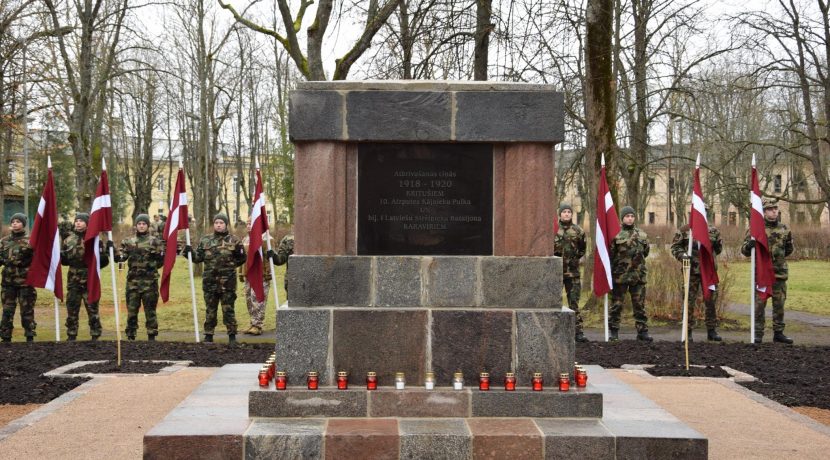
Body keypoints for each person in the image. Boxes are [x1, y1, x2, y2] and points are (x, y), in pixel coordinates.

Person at [183, 213, 246, 344]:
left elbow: (242, 258)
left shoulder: (234, 240)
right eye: (216, 223)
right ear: (214, 224)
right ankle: (208, 335)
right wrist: (188, 252)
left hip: (227, 282)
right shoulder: (206, 240)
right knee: (210, 309)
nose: (218, 225)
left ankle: (232, 335)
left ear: (226, 224)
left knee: (228, 309)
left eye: (221, 223)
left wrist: (229, 266)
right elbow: (198, 258)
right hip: (210, 282)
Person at [741, 198, 794, 344]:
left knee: (779, 305)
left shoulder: (784, 229)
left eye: (775, 209)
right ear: (763, 212)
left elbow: (788, 249)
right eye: (770, 209)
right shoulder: (755, 230)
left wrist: (777, 260)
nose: (774, 211)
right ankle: (758, 333)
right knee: (759, 305)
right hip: (761, 274)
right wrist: (750, 246)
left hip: (779, 273)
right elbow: (744, 251)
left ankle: (779, 333)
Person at [670, 209, 724, 342]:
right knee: (689, 301)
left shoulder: (713, 232)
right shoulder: (684, 230)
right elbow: (675, 247)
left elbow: (718, 249)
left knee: (711, 301)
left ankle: (711, 331)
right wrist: (683, 255)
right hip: (691, 271)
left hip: (708, 272)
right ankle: (687, 331)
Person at [115, 214, 165, 341]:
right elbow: (121, 258)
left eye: (144, 224)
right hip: (133, 283)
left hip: (150, 283)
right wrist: (114, 251)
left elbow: (160, 261)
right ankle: (131, 335)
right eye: (139, 224)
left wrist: (149, 268)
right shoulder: (128, 241)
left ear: (148, 226)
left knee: (150, 311)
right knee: (132, 311)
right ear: (136, 226)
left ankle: (151, 335)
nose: (141, 226)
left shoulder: (155, 242)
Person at [608, 206, 652, 342]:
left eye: (632, 216)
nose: (630, 218)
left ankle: (642, 332)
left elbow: (646, 252)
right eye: (627, 216)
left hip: (638, 276)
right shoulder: (616, 234)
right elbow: (611, 253)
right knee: (616, 305)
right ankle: (614, 331)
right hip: (620, 276)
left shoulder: (642, 234)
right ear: (622, 218)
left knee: (639, 305)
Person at [61, 213, 107, 341]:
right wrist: (60, 256)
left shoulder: (94, 239)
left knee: (92, 308)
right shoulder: (68, 239)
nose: (78, 223)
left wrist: (104, 255)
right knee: (72, 308)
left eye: (81, 221)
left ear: (87, 223)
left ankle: (95, 334)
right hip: (73, 280)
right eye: (76, 221)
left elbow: (103, 261)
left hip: (89, 279)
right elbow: (65, 261)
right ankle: (71, 334)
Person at [553, 203, 589, 342]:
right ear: (560, 214)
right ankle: (554, 332)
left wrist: (573, 261)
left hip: (572, 274)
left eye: (569, 212)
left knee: (574, 304)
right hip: (555, 273)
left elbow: (582, 249)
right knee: (554, 304)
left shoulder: (578, 231)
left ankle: (578, 332)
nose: (567, 214)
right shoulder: (554, 230)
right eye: (564, 212)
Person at [0, 214, 37, 342]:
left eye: (18, 221)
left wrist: (25, 261)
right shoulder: (4, 241)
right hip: (8, 283)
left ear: (23, 224)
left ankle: (29, 335)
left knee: (26, 310)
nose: (15, 223)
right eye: (13, 221)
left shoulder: (30, 241)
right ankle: (5, 336)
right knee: (7, 310)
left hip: (25, 282)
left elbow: (36, 259)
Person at [240, 220, 274, 335]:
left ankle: (258, 325)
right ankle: (252, 323)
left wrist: (268, 273)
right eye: (247, 224)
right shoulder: (245, 239)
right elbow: (243, 259)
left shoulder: (266, 238)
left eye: (251, 223)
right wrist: (241, 272)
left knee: (258, 299)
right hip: (248, 274)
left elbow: (270, 257)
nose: (249, 226)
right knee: (249, 300)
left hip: (261, 275)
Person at [271, 233, 294, 299]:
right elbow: (280, 259)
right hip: (293, 282)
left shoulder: (320, 235)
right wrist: (273, 256)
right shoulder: (289, 239)